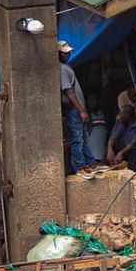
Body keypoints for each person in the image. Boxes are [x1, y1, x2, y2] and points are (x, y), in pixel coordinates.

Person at [60, 42, 96, 174]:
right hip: (75, 109)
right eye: (64, 53)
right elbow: (69, 91)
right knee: (78, 138)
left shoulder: (66, 66)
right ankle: (81, 166)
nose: (67, 55)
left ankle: (91, 163)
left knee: (84, 138)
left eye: (68, 52)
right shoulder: (62, 69)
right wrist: (81, 110)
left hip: (78, 108)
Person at [106, 105, 136, 169]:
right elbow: (113, 138)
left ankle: (131, 169)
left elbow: (134, 143)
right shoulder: (124, 124)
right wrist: (110, 150)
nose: (119, 116)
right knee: (110, 147)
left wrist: (121, 152)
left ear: (127, 116)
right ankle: (104, 167)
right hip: (127, 150)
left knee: (134, 151)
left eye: (121, 115)